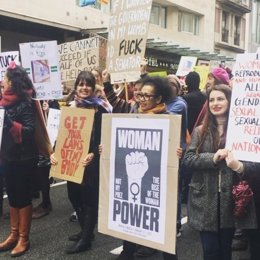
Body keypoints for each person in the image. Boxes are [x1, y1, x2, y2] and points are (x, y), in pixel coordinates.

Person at [184, 84, 257, 260]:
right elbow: (188, 159)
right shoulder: (200, 131)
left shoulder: (243, 132)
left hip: (230, 201)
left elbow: (253, 164)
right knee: (210, 251)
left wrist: (239, 165)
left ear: (229, 101)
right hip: (204, 199)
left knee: (225, 250)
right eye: (212, 100)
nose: (215, 103)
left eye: (220, 99)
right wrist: (213, 158)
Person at [116, 76, 179, 260]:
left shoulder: (170, 120)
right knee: (132, 212)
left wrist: (178, 153)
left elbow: (181, 146)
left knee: (164, 224)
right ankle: (127, 252)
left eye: (146, 96)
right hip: (135, 175)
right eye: (140, 95)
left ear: (159, 99)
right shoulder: (132, 117)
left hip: (159, 180)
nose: (141, 100)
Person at [50, 70, 111, 254]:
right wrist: (55, 152)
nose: (84, 88)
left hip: (91, 161)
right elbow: (62, 134)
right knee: (73, 195)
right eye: (81, 84)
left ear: (93, 88)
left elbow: (105, 136)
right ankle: (86, 231)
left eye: (88, 85)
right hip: (71, 158)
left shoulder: (101, 108)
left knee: (89, 199)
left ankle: (86, 239)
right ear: (76, 86)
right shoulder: (70, 107)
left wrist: (94, 153)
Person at [0, 62, 39, 257]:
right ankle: (14, 234)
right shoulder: (2, 102)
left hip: (24, 157)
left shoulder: (26, 103)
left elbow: (30, 132)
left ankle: (24, 238)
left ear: (12, 83)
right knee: (13, 195)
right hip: (7, 156)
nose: (2, 82)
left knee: (22, 197)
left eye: (5, 79)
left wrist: (8, 123)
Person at [32, 100, 60, 219]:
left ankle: (46, 203)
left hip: (48, 144)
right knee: (40, 174)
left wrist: (48, 110)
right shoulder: (36, 101)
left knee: (44, 175)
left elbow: (57, 119)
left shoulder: (52, 102)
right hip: (37, 144)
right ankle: (44, 202)